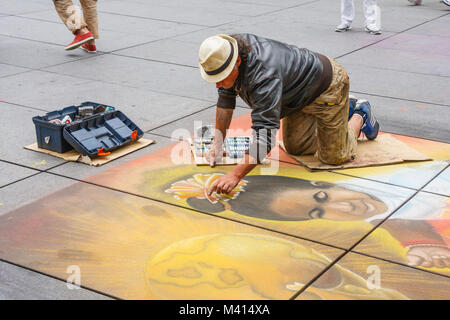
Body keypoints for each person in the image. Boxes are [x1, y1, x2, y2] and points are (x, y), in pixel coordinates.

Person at [198, 33, 380, 196]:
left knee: (334, 158)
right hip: (296, 96)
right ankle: (341, 115)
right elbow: (225, 99)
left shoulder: (263, 75)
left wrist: (235, 175)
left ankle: (359, 113)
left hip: (327, 88)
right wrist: (218, 142)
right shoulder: (225, 52)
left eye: (221, 78)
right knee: (296, 149)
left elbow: (265, 134)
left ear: (237, 62)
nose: (218, 84)